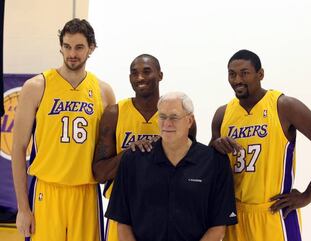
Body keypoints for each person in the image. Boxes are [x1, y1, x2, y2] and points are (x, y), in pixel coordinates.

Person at [210, 49, 311, 241]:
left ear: (260, 74)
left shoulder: (284, 106)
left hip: (274, 213)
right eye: (232, 74)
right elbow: (210, 163)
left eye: (244, 73)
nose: (237, 79)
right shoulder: (222, 114)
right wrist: (215, 145)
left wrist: (308, 195)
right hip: (234, 215)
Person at [11, 18, 115, 241]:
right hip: (47, 191)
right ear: (60, 47)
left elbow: (110, 152)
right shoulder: (37, 87)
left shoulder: (103, 92)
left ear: (91, 48)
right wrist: (22, 208)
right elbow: (18, 148)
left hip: (86, 193)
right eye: (67, 46)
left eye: (79, 47)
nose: (72, 54)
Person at [105, 92, 237, 241]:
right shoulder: (132, 160)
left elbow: (218, 226)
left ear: (189, 120)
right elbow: (122, 221)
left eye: (174, 117)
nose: (167, 123)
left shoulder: (215, 162)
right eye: (162, 117)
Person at [92, 54, 197, 241]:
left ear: (160, 75)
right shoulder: (114, 114)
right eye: (134, 73)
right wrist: (130, 154)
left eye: (147, 71)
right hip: (123, 214)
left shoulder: (179, 117)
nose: (140, 77)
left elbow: (189, 169)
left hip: (165, 215)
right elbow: (99, 174)